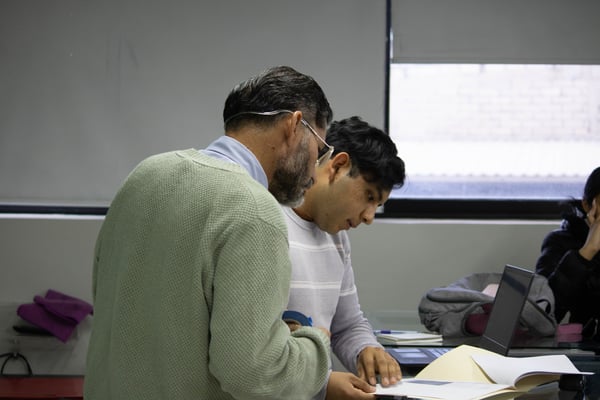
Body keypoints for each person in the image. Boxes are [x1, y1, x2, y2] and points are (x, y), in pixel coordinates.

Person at [84, 66, 338, 399]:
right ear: (294, 125)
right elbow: (254, 374)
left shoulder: (145, 175)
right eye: (319, 150)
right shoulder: (254, 209)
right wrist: (313, 345)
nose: (313, 172)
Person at [283, 116, 406, 399]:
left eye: (378, 205)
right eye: (368, 196)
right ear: (338, 166)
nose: (369, 217)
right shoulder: (269, 223)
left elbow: (347, 324)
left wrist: (366, 349)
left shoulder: (337, 239)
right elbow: (256, 351)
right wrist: (323, 385)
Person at [535, 166, 600, 332]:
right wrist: (587, 252)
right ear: (587, 205)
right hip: (586, 348)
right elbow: (543, 314)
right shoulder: (561, 242)